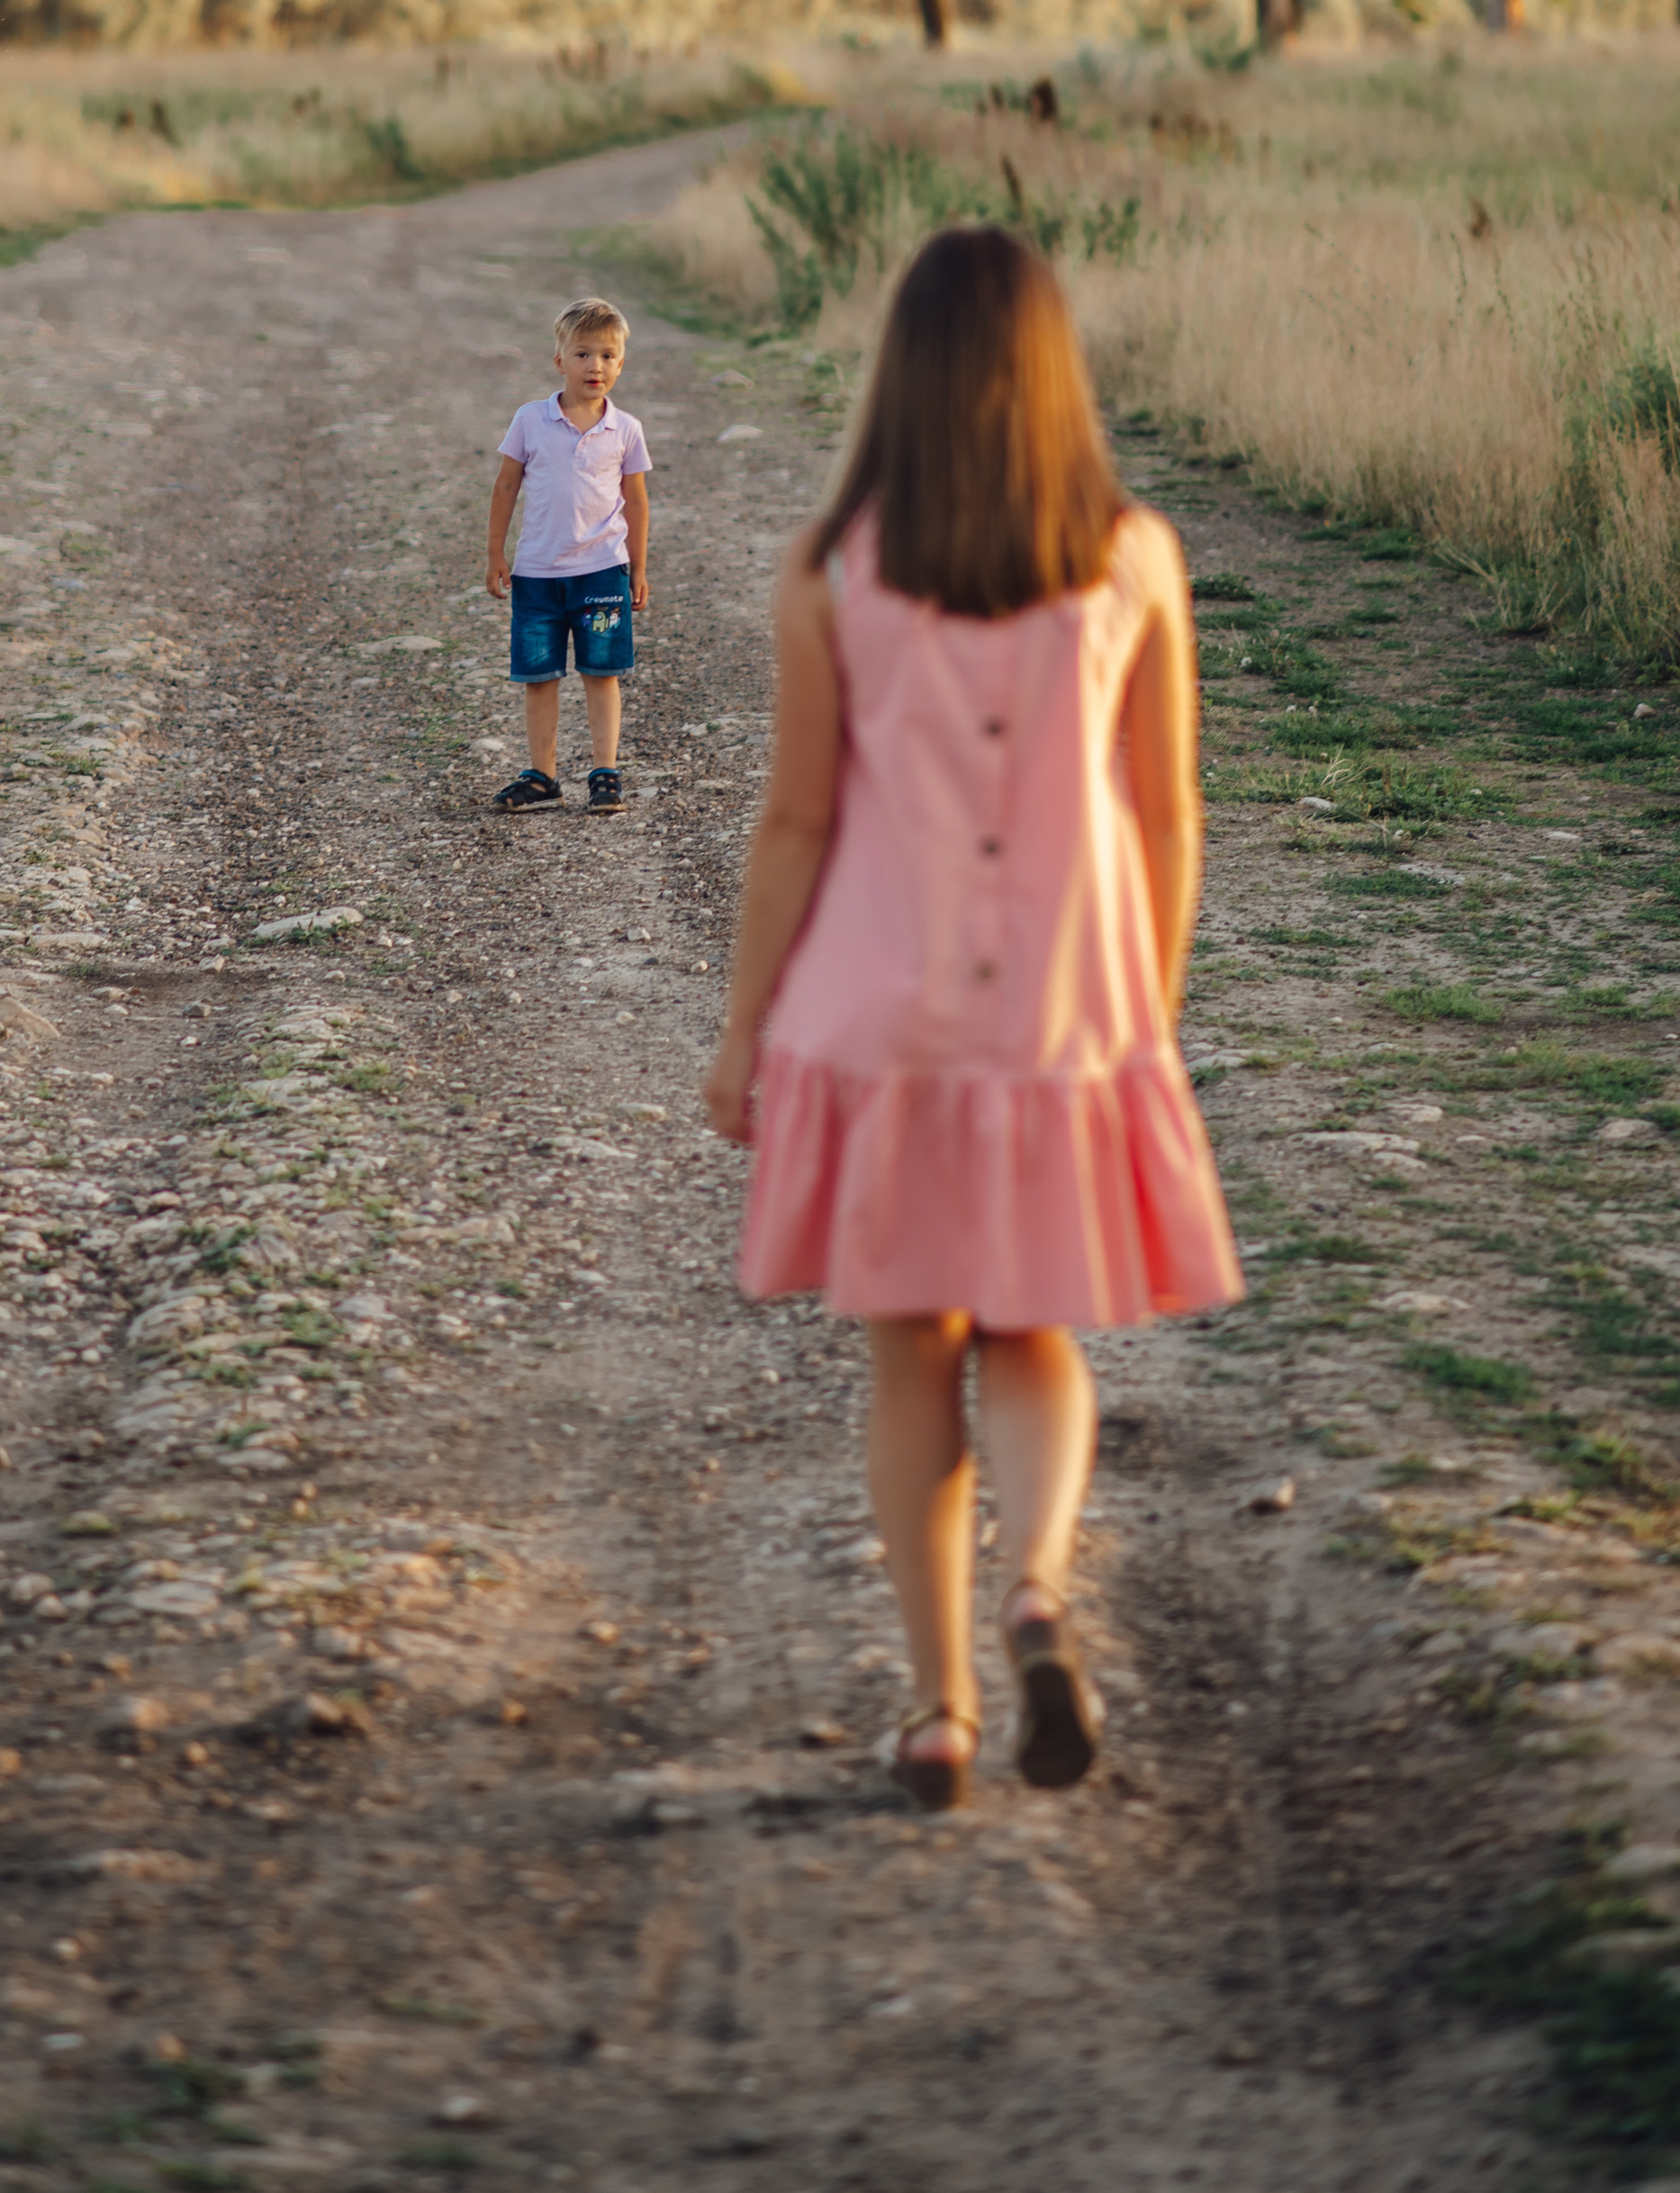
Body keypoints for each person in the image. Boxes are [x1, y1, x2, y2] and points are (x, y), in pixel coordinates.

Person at [701, 225, 1241, 1807]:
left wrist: (744, 1031)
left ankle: (937, 1710)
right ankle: (1040, 1588)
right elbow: (1166, 814)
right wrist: (1145, 999)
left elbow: (795, 822)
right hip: (1064, 1015)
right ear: (1051, 371)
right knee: (1032, 1328)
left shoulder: (832, 567)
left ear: (902, 377)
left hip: (881, 1020)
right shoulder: (1136, 556)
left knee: (906, 1361)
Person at [486, 297, 651, 815]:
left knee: (602, 673)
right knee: (539, 676)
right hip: (537, 575)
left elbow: (636, 499)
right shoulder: (530, 420)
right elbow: (506, 485)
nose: (594, 366)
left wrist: (639, 567)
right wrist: (496, 552)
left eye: (606, 356)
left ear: (620, 364)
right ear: (560, 361)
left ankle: (605, 772)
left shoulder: (625, 429)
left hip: (602, 570)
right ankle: (542, 776)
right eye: (582, 354)